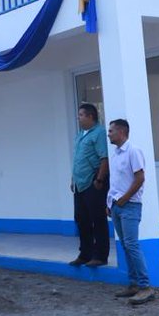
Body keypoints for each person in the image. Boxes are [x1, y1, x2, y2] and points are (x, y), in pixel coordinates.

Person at [106, 119, 155, 305]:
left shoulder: (133, 151)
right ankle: (134, 284)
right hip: (117, 205)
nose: (109, 133)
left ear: (121, 132)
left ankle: (145, 287)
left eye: (111, 131)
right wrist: (109, 203)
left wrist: (125, 199)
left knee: (132, 244)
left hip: (130, 205)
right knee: (126, 245)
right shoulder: (116, 154)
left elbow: (140, 178)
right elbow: (116, 182)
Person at [69, 102, 109, 267]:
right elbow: (78, 159)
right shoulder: (80, 135)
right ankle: (85, 253)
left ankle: (100, 255)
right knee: (81, 218)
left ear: (90, 116)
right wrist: (73, 179)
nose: (78, 118)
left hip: (94, 182)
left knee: (97, 218)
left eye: (81, 115)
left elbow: (104, 158)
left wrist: (99, 180)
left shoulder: (99, 133)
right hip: (80, 184)